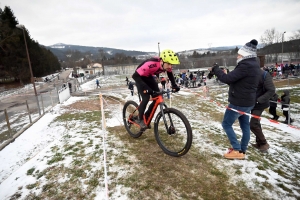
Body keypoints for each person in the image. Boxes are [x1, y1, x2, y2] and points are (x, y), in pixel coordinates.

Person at [208, 39, 261, 160]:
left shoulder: (245, 65)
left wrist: (216, 70)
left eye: (239, 54)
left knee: (226, 124)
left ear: (245, 54)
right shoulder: (254, 64)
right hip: (248, 102)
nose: (237, 56)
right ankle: (242, 150)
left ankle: (237, 150)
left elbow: (227, 79)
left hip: (238, 102)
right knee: (245, 126)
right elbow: (237, 80)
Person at [132, 49, 180, 130]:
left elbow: (170, 74)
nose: (170, 67)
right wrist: (146, 88)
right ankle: (140, 119)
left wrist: (174, 85)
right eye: (168, 64)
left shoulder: (166, 65)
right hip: (139, 78)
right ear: (162, 61)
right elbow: (135, 76)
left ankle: (146, 117)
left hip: (149, 77)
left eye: (171, 65)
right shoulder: (151, 64)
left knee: (158, 95)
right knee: (146, 98)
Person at [250, 68, 275, 152]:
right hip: (252, 103)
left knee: (253, 124)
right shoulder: (248, 73)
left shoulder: (264, 74)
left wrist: (259, 100)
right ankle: (259, 142)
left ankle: (264, 143)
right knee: (256, 123)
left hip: (260, 104)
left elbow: (271, 90)